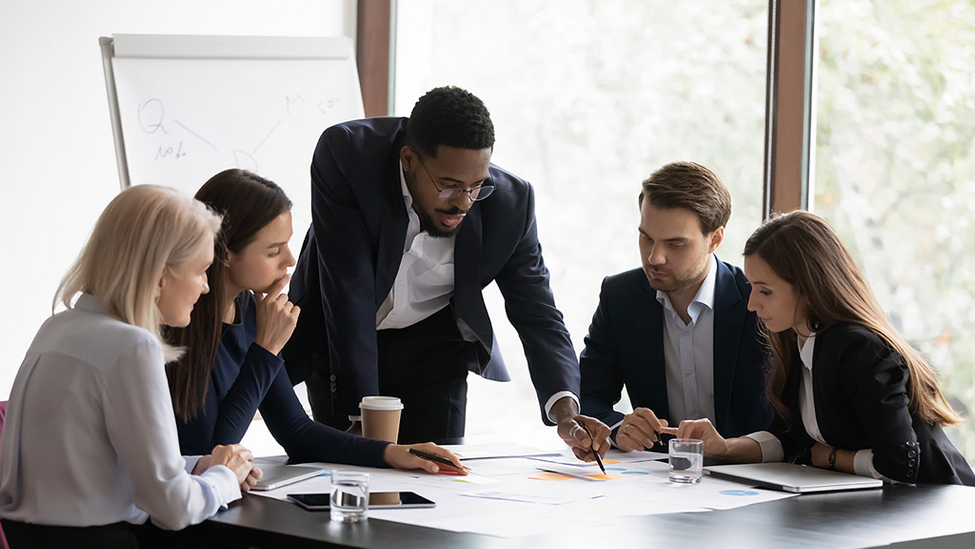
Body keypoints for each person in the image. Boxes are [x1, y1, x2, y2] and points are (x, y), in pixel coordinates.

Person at [284, 85, 609, 458]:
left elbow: (538, 312)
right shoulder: (347, 156)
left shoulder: (511, 205)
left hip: (433, 350)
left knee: (439, 477)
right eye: (449, 186)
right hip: (343, 339)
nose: (463, 202)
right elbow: (349, 289)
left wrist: (567, 413)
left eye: (476, 187)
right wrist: (363, 416)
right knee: (349, 473)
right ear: (408, 160)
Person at [0, 185, 257, 548]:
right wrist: (225, 478)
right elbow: (172, 508)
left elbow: (99, 466)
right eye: (201, 271)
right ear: (159, 276)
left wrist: (195, 465)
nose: (204, 287)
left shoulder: (57, 328)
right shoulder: (132, 346)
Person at [165, 169, 465, 473]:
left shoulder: (252, 311)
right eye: (274, 251)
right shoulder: (180, 323)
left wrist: (391, 453)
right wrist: (266, 349)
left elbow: (295, 430)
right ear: (226, 253)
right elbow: (210, 454)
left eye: (287, 245)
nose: (290, 260)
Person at [671, 210, 975, 485]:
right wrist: (724, 447)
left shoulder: (859, 348)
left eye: (765, 291)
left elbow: (900, 464)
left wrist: (830, 457)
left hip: (941, 507)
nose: (752, 304)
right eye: (752, 288)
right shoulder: (796, 339)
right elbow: (789, 441)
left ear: (809, 287)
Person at [580, 162, 772, 452]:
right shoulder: (620, 296)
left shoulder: (757, 301)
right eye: (646, 238)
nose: (655, 257)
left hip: (748, 475)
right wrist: (619, 428)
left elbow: (789, 420)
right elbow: (587, 395)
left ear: (715, 240)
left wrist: (730, 449)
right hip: (656, 478)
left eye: (676, 244)